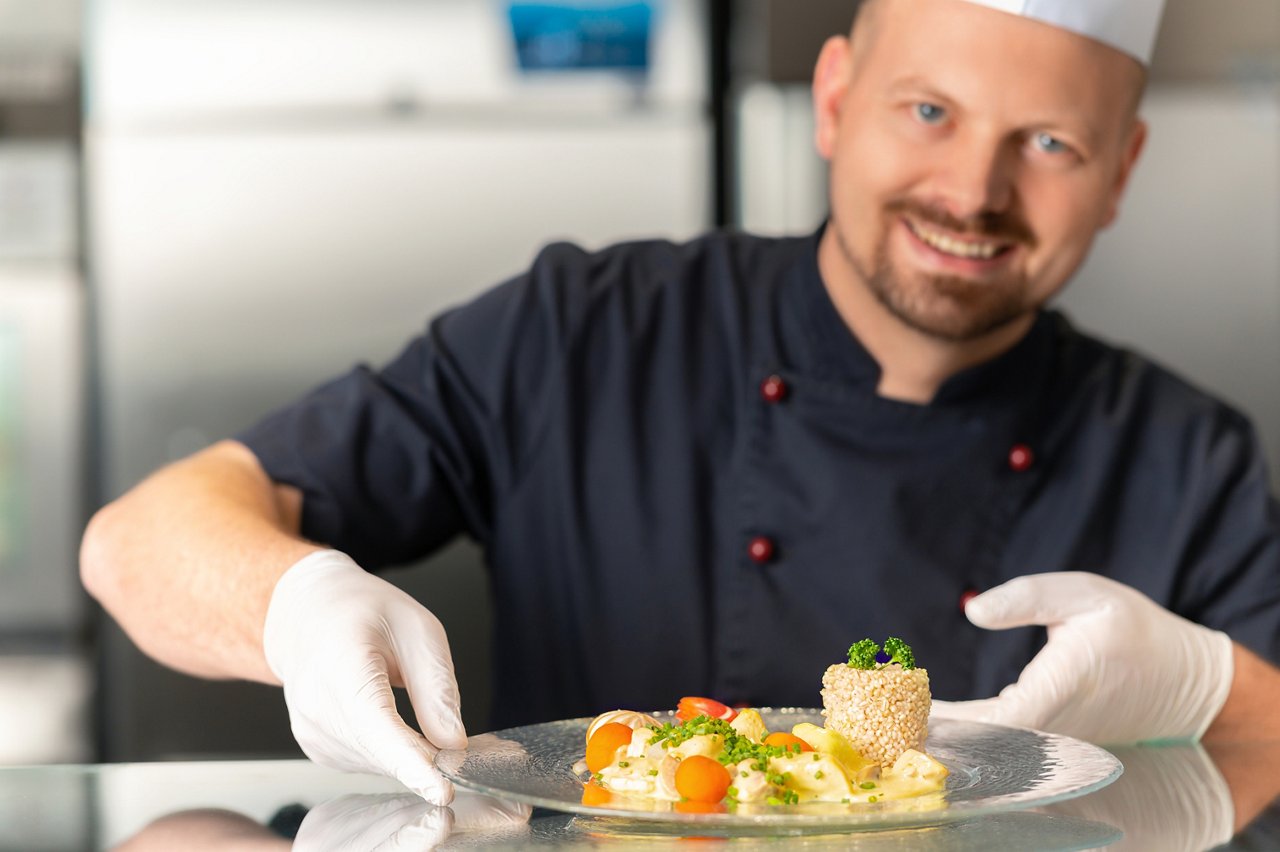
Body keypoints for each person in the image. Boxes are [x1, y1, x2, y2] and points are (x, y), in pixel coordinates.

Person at [80, 0, 1280, 806]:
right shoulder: (580, 331)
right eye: (928, 111)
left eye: (1050, 143)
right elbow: (138, 542)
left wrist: (1213, 689)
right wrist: (293, 605)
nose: (972, 190)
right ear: (832, 99)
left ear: (1119, 172)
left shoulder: (1186, 456)